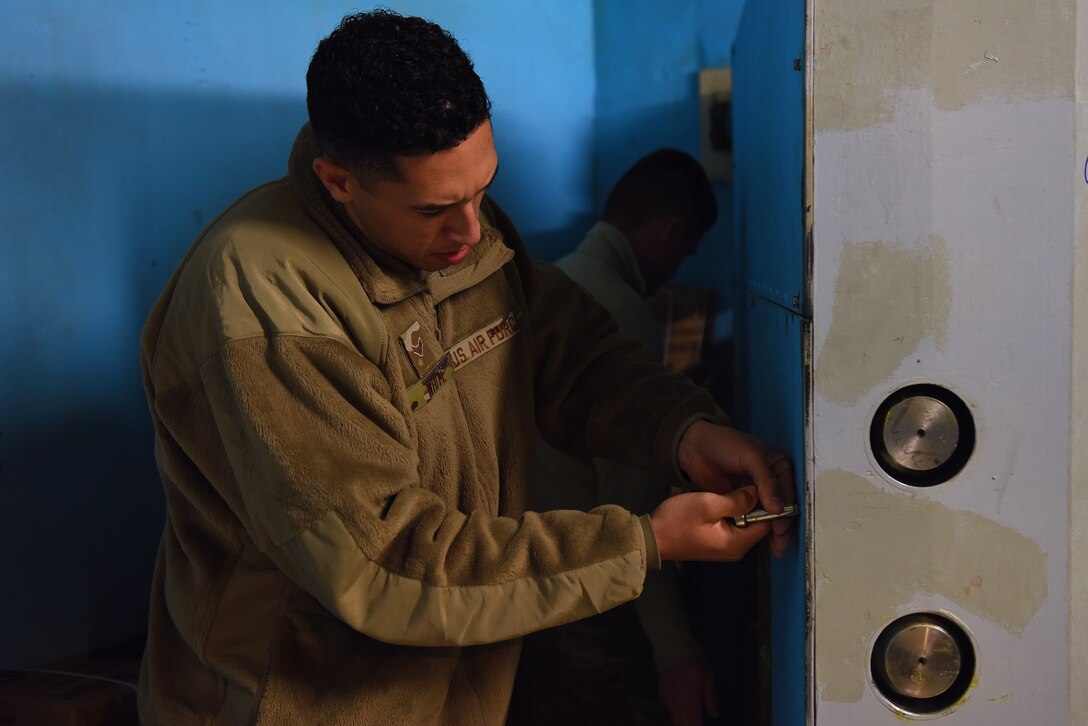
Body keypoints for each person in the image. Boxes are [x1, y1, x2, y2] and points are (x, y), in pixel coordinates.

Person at [137, 10, 793, 725]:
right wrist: (644, 543)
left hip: (453, 694)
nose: (473, 230)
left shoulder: (460, 235)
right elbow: (386, 562)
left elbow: (572, 356)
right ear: (338, 182)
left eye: (483, 189)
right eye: (436, 208)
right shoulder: (265, 304)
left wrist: (682, 431)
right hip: (304, 704)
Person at [511, 149, 723, 726]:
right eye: (685, 250)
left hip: (523, 578)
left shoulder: (561, 283)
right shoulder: (623, 309)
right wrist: (678, 655)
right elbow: (631, 508)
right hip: (588, 594)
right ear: (671, 231)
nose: (679, 267)